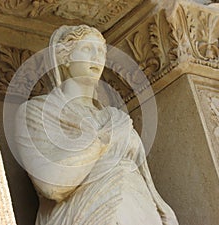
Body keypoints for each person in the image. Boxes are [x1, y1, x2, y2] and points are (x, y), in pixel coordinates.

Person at [15, 24, 178, 225]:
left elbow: (145, 181)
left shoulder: (117, 118)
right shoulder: (37, 111)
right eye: (87, 49)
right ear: (64, 57)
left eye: (101, 51)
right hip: (81, 212)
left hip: (138, 208)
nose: (97, 57)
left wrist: (162, 210)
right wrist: (104, 140)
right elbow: (50, 184)